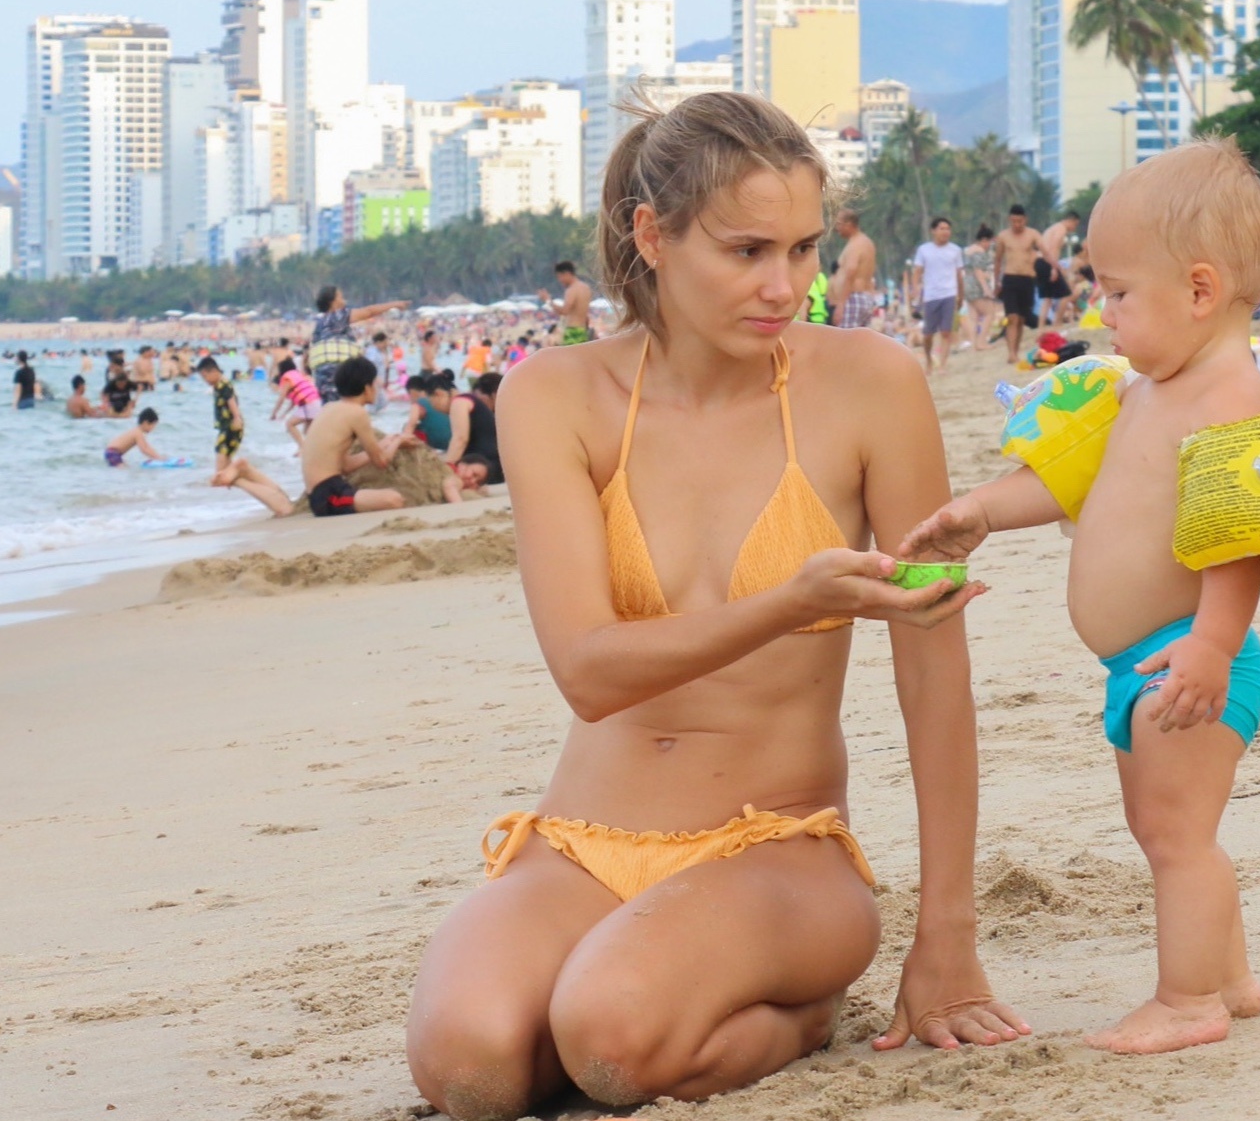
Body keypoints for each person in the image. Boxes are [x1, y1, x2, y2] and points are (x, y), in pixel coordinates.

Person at [406, 91, 1022, 1120]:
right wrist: (789, 601)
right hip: (580, 845)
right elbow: (588, 671)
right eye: (746, 252)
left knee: (609, 1041)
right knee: (469, 1069)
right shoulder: (553, 395)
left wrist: (946, 938)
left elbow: (934, 674)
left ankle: (795, 1010)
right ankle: (646, 993)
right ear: (652, 236)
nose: (784, 286)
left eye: (802, 249)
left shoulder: (869, 385)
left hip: (776, 852)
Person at [900, 138, 1260, 1056]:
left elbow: (1238, 543)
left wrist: (1211, 646)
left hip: (1189, 654)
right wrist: (981, 510)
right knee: (1167, 829)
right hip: (1142, 663)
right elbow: (1072, 484)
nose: (1100, 312)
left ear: (1198, 291)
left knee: (1176, 836)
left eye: (1117, 294)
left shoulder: (1228, 398)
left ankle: (1188, 1000)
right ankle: (1229, 976)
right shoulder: (1149, 388)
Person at [297, 357, 410, 517]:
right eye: (375, 384)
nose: (377, 389)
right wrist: (398, 440)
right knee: (394, 499)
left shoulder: (330, 407)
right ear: (367, 388)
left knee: (388, 496)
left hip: (320, 493)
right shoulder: (357, 413)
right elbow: (382, 462)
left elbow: (345, 466)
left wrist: (384, 443)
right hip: (329, 494)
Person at [195, 355, 294, 517]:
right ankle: (235, 472)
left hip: (231, 426)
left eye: (205, 376)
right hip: (226, 427)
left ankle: (235, 471)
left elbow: (232, 401)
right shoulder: (219, 385)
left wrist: (236, 417)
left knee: (220, 468)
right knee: (223, 468)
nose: (205, 380)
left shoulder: (223, 384)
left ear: (213, 371)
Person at [307, 285, 409, 403]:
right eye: (340, 296)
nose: (343, 298)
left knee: (330, 407)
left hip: (321, 377)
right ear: (332, 302)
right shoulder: (340, 316)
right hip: (340, 373)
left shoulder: (319, 324)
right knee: (348, 405)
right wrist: (395, 304)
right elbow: (369, 311)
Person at [908, 217, 965, 372]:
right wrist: (915, 289)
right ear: (933, 231)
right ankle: (928, 360)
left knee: (946, 331)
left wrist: (961, 294)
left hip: (949, 294)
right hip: (931, 296)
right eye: (942, 228)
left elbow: (959, 275)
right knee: (928, 333)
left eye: (948, 229)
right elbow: (917, 271)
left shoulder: (955, 250)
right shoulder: (924, 250)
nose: (945, 232)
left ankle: (943, 365)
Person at [995, 205, 1046, 362]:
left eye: (1020, 221)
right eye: (1014, 221)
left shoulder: (1033, 234)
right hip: (1010, 278)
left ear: (1025, 220)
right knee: (1012, 317)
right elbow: (998, 260)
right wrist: (996, 282)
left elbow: (1045, 252)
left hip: (1027, 279)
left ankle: (1015, 350)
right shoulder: (1003, 236)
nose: (1017, 224)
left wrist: (1055, 268)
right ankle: (1011, 353)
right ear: (1010, 220)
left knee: (1022, 319)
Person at [448, 370, 502, 484]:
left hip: (483, 469)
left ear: (494, 395)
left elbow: (460, 439)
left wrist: (446, 470)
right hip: (496, 470)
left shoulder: (462, 400)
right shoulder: (494, 416)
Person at [831, 207, 880, 329]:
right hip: (864, 297)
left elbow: (850, 272)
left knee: (845, 339)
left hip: (853, 298)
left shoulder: (856, 244)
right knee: (859, 339)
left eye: (839, 224)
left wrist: (841, 304)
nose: (837, 228)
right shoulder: (866, 242)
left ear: (848, 224)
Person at [1038, 208, 1082, 325]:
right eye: (1075, 225)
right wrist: (1054, 268)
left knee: (1048, 297)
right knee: (1066, 293)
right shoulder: (1061, 229)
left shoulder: (1052, 228)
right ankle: (1057, 322)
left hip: (1041, 261)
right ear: (1071, 221)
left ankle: (1041, 325)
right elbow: (1054, 248)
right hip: (1048, 263)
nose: (1075, 228)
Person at [960, 226, 1001, 348]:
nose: (989, 245)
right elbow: (978, 272)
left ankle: (975, 343)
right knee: (989, 313)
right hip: (976, 286)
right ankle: (982, 341)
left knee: (974, 316)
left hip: (966, 284)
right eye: (989, 242)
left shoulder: (967, 251)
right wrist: (986, 289)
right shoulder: (979, 252)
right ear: (983, 240)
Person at [269, 355, 320, 447]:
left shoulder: (287, 379)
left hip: (309, 404)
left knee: (290, 424)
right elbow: (293, 402)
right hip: (317, 402)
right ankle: (308, 450)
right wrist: (284, 414)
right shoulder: (298, 375)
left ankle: (302, 448)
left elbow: (281, 398)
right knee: (306, 432)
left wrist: (274, 414)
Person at [541, 261, 595, 344]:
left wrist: (548, 300)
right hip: (583, 330)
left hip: (572, 331)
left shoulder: (572, 290)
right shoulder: (586, 288)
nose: (560, 280)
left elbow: (564, 311)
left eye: (560, 277)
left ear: (567, 274)